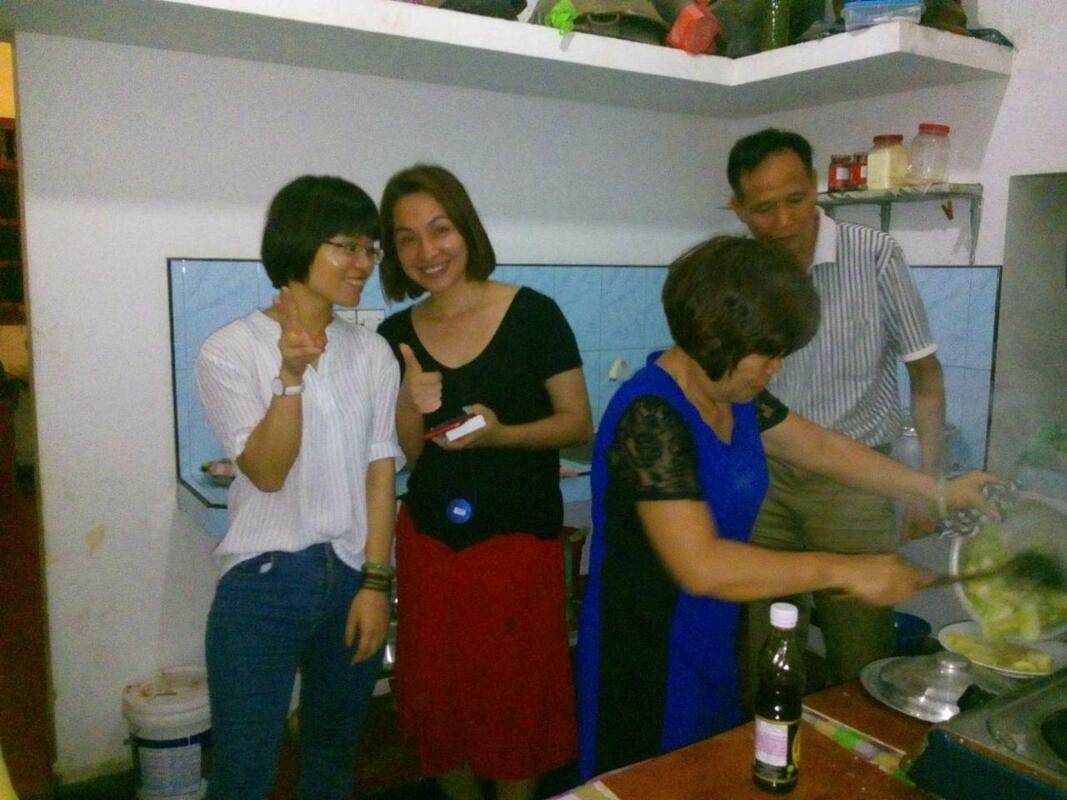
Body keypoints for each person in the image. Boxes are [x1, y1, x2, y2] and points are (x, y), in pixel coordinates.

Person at [576, 236, 997, 780]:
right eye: (767, 353)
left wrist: (936, 491)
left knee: (708, 772)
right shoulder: (651, 415)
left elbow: (822, 449)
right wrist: (847, 569)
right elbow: (700, 565)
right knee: (650, 780)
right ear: (714, 338)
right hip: (645, 650)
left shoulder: (735, 397)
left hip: (713, 634)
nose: (776, 367)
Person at [376, 164, 593, 800]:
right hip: (430, 546)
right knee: (440, 697)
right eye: (407, 238)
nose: (427, 250)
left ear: (465, 229)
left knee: (514, 699)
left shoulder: (534, 314)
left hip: (516, 544)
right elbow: (412, 457)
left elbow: (577, 424)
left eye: (439, 229)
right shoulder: (396, 335)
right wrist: (409, 401)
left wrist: (501, 434)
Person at [196, 175, 400, 800]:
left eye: (370, 248)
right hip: (262, 585)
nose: (364, 263)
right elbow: (266, 471)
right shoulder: (228, 350)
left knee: (333, 760)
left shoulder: (372, 353)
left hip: (351, 579)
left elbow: (381, 470)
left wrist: (376, 584)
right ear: (298, 243)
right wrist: (290, 376)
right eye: (347, 246)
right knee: (242, 772)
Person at [727, 128, 949, 689]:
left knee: (861, 654)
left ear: (816, 185)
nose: (784, 221)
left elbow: (925, 375)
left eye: (796, 199)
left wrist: (928, 483)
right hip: (765, 477)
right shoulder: (742, 270)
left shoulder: (873, 254)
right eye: (764, 209)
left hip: (854, 485)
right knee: (766, 645)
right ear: (740, 209)